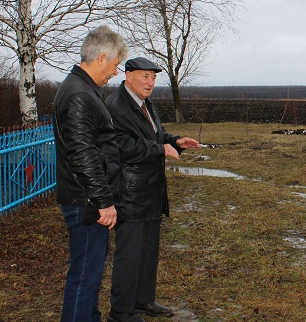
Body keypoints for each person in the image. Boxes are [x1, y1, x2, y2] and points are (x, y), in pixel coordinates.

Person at [105, 57, 200, 322]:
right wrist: (159, 149)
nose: (150, 83)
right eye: (145, 76)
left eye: (154, 78)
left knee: (148, 251)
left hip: (149, 190)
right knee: (130, 254)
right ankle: (121, 312)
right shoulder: (115, 105)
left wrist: (175, 141)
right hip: (129, 192)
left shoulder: (145, 104)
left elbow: (156, 135)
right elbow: (120, 145)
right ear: (128, 75)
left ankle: (143, 300)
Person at [53, 26, 128, 322]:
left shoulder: (80, 89)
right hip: (86, 202)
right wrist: (103, 202)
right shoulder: (78, 94)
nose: (115, 71)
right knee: (84, 277)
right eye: (115, 64)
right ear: (101, 57)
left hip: (86, 199)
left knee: (90, 274)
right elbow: (82, 154)